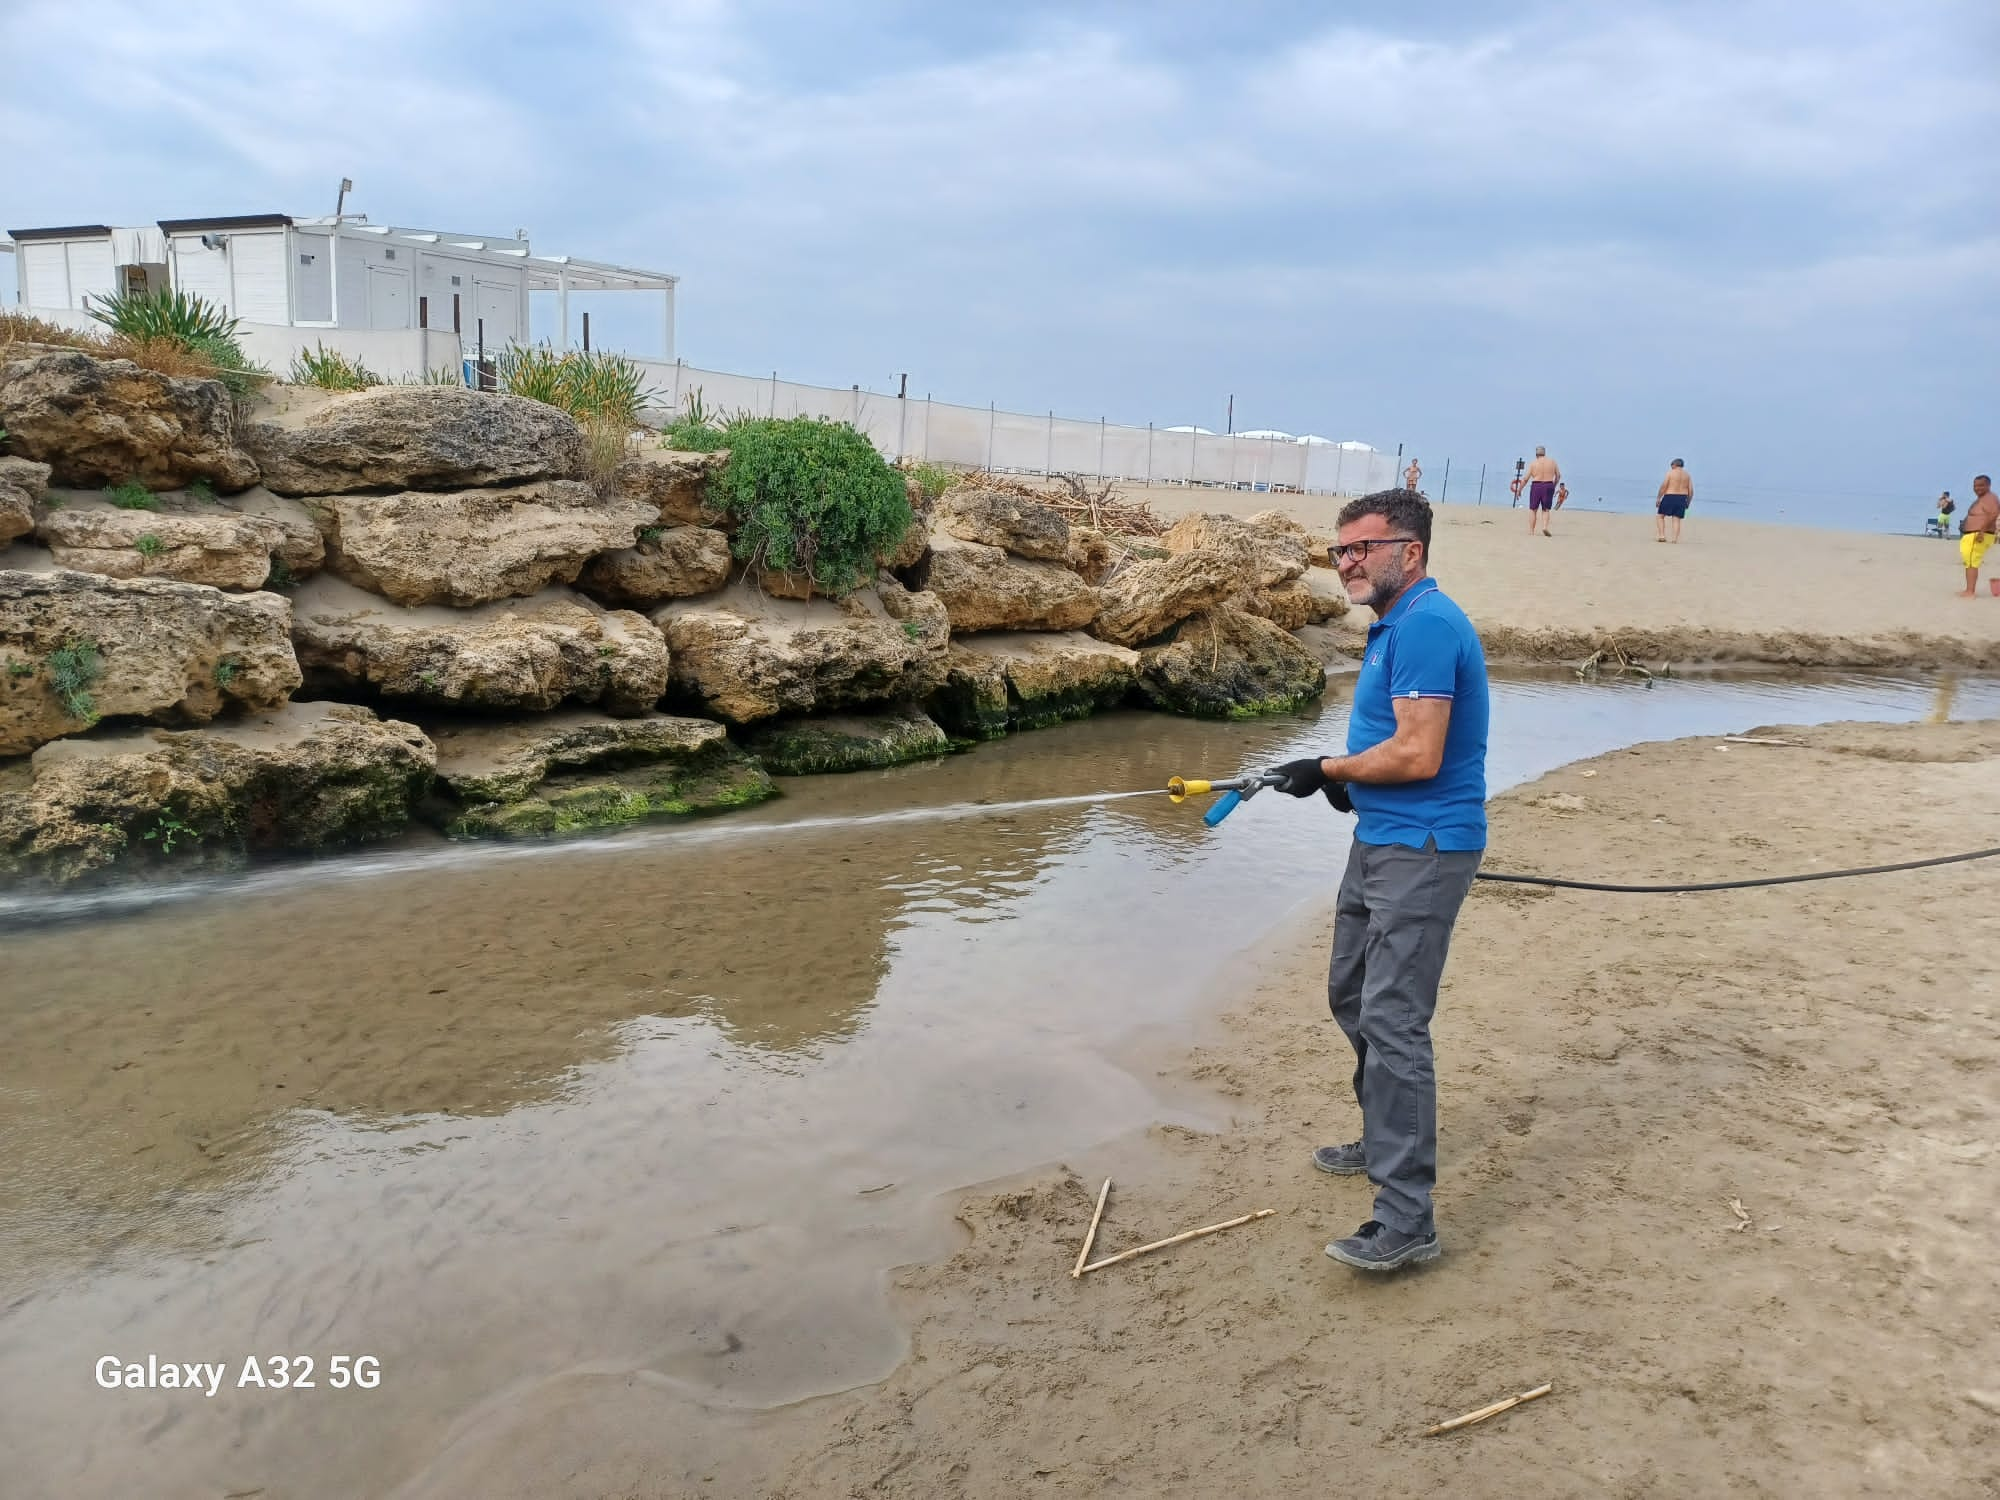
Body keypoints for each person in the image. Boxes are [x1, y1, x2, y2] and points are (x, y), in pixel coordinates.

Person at [1267, 489, 1489, 1272]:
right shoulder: (1395, 624)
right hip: (1382, 836)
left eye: (1361, 549)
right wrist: (1347, 784)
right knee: (1352, 993)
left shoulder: (1427, 624)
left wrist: (1326, 767)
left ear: (1411, 552)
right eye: (1339, 552)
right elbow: (1391, 746)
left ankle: (1406, 1219)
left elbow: (1420, 754)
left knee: (1394, 1022)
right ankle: (1382, 1134)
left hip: (1423, 850)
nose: (1346, 564)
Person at [1959, 475, 1997, 598]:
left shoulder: (1990, 498)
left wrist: (1982, 531)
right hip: (1973, 534)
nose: (1977, 488)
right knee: (1969, 562)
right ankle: (1968, 590)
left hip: (1979, 534)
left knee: (1971, 563)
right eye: (1975, 486)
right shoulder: (1982, 498)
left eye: (1981, 485)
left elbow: (1994, 514)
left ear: (1988, 486)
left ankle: (1970, 591)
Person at [1656, 459, 1694, 543]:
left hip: (1670, 496)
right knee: (1676, 519)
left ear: (1675, 465)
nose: (1671, 467)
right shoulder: (1687, 475)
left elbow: (1664, 486)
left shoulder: (1671, 473)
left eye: (1671, 465)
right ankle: (1674, 539)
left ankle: (1662, 536)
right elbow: (1691, 491)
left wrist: (1658, 498)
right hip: (1681, 498)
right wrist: (1688, 502)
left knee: (1660, 516)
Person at [1525, 447, 1559, 535]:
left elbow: (1525, 479)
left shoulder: (1533, 463)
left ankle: (1531, 531)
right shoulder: (1552, 462)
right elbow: (1558, 476)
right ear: (1544, 453)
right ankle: (1544, 527)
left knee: (1533, 509)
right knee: (1546, 509)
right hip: (1548, 485)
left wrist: (1519, 490)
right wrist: (1554, 485)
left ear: (1536, 454)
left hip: (1536, 485)